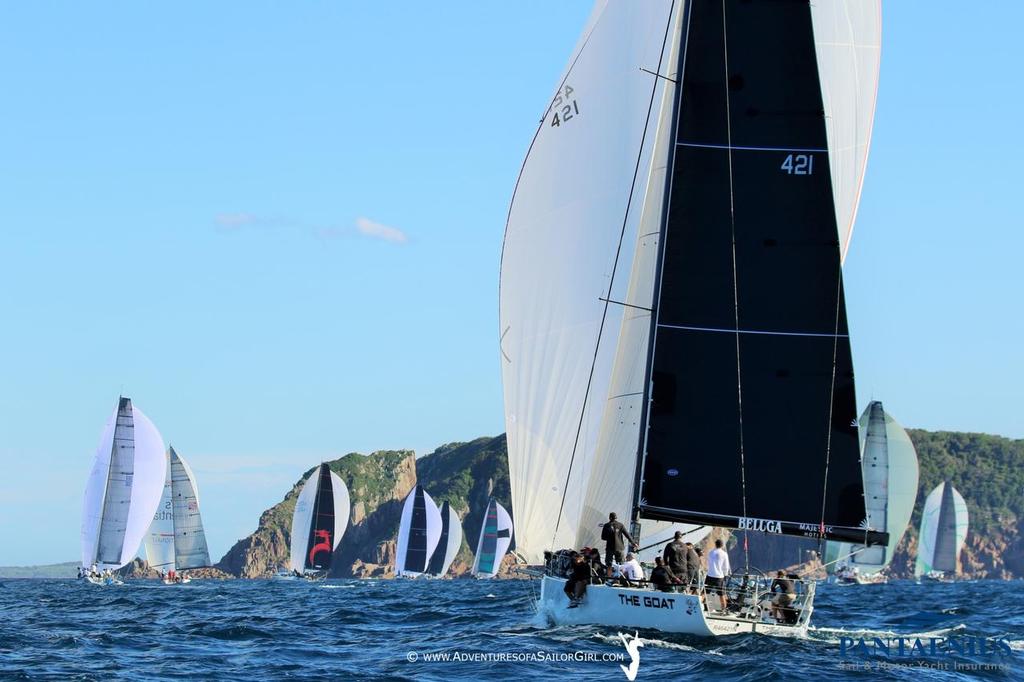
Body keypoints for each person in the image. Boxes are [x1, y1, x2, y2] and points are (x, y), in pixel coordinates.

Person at [706, 539, 731, 612]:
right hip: (719, 577)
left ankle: (698, 605)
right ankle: (724, 610)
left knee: (705, 592)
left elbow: (709, 562)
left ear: (715, 544)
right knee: (721, 594)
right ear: (722, 545)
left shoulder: (710, 552)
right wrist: (725, 575)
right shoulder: (724, 554)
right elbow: (726, 566)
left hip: (710, 575)